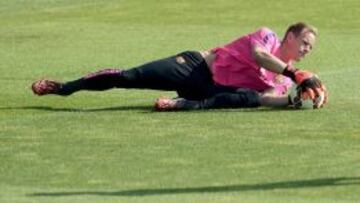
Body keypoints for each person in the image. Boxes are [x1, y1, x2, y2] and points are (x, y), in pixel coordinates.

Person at [31, 22, 327, 109]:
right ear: (290, 35)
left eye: (310, 48)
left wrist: (295, 99)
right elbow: (261, 56)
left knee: (245, 99)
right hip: (194, 66)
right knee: (129, 77)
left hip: (207, 91)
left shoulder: (287, 80)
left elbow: (265, 98)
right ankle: (65, 88)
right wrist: (294, 72)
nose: (306, 50)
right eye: (304, 43)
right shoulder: (267, 36)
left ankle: (179, 104)